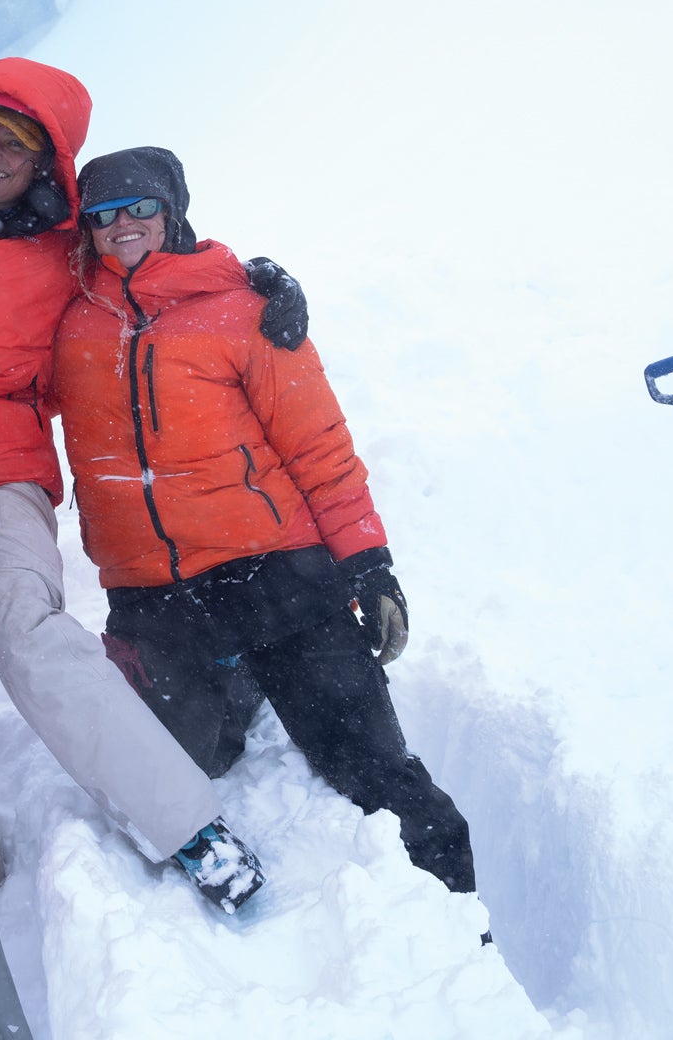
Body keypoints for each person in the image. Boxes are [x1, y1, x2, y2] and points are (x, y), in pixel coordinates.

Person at [0, 58, 305, 913]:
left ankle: (192, 826)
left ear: (47, 158)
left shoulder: (66, 251)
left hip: (2, 472)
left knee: (33, 631)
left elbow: (156, 275)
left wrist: (250, 287)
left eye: (18, 143)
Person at [53, 145, 474, 899]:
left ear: (172, 211)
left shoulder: (246, 311)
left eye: (140, 209)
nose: (122, 227)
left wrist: (368, 563)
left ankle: (454, 904)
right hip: (156, 594)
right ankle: (238, 679)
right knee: (193, 760)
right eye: (103, 215)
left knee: (369, 764)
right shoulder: (69, 323)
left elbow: (319, 447)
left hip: (276, 575)